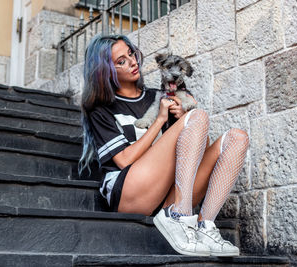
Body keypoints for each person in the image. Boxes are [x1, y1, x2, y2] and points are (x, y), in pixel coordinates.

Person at [79, 34, 249, 257]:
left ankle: (204, 225)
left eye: (131, 54)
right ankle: (179, 216)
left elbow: (193, 154)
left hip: (168, 193)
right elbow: (123, 160)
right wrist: (159, 119)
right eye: (121, 61)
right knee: (196, 116)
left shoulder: (160, 95)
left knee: (237, 138)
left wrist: (183, 120)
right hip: (130, 192)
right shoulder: (100, 108)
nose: (132, 62)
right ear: (104, 71)